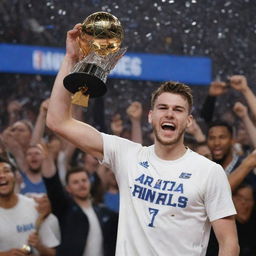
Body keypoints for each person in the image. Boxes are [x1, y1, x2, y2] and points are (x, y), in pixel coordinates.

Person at [46, 24, 239, 256]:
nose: (169, 114)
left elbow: (229, 244)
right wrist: (70, 59)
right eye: (163, 108)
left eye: (178, 110)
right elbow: (58, 121)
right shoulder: (126, 155)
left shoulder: (209, 172)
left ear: (188, 121)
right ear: (151, 116)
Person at [41, 145, 118, 256]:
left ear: (90, 183)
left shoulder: (104, 212)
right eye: (76, 182)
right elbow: (53, 186)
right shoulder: (65, 209)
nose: (81, 184)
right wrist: (47, 159)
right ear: (68, 188)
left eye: (84, 180)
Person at [0, 156, 60, 256]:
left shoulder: (36, 207)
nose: (1, 176)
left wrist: (39, 246)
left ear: (15, 176)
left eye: (6, 171)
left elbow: (52, 253)